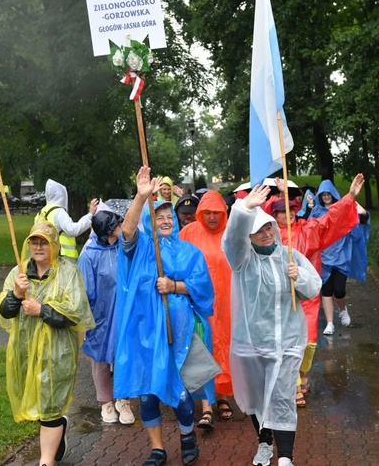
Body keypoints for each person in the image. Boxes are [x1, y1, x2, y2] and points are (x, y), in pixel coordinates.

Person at [114, 166, 215, 466]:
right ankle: (157, 448)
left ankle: (187, 435)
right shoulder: (142, 248)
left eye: (169, 216)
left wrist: (174, 285)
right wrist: (141, 196)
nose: (167, 220)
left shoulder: (189, 252)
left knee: (182, 397)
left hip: (180, 336)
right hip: (146, 336)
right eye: (159, 216)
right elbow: (128, 232)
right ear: (151, 221)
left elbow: (203, 287)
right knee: (148, 396)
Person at [222, 184, 321, 466]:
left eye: (268, 228)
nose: (266, 234)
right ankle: (264, 443)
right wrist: (243, 209)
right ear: (249, 237)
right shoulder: (241, 260)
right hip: (251, 343)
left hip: (287, 341)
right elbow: (231, 241)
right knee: (256, 398)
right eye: (258, 231)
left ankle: (286, 457)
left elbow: (313, 289)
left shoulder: (289, 256)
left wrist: (298, 276)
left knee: (281, 396)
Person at [0, 221, 95, 466]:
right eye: (34, 241)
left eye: (44, 242)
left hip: (58, 352)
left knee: (50, 403)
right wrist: (16, 295)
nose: (38, 247)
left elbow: (76, 313)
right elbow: (5, 311)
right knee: (42, 404)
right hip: (26, 350)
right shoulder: (18, 274)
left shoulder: (68, 273)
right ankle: (59, 426)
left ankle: (46, 460)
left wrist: (42, 310)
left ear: (54, 245)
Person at [270, 174, 365, 406]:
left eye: (291, 209)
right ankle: (292, 385)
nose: (289, 213)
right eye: (282, 211)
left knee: (310, 342)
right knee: (287, 343)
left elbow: (330, 218)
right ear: (274, 215)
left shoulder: (308, 230)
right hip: (281, 300)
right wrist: (281, 195)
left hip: (307, 296)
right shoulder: (268, 235)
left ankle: (302, 375)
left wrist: (350, 196)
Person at [180, 190, 235, 430]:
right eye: (207, 212)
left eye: (216, 212)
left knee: (225, 347)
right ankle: (206, 407)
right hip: (200, 304)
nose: (212, 217)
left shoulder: (232, 234)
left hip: (228, 304)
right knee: (203, 348)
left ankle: (222, 397)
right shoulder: (189, 233)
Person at [77, 210, 135, 425]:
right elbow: (83, 292)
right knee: (100, 358)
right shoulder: (89, 255)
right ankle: (106, 402)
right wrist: (86, 322)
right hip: (100, 316)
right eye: (117, 226)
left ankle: (123, 399)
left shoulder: (124, 249)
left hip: (123, 313)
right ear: (109, 230)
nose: (122, 228)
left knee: (123, 356)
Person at [309, 179, 371, 335]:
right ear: (320, 196)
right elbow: (309, 230)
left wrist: (363, 214)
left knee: (339, 290)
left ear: (333, 194)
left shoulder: (342, 209)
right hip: (324, 257)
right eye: (323, 194)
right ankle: (330, 323)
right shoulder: (316, 212)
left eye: (328, 193)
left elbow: (358, 220)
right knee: (327, 290)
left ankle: (343, 309)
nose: (326, 196)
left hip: (341, 256)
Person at [40, 179, 99, 262]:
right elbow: (73, 230)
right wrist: (90, 215)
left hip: (48, 255)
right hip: (63, 257)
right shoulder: (58, 212)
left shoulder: (42, 212)